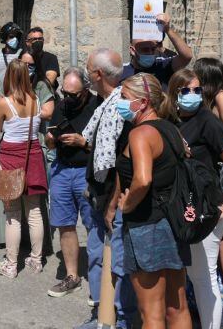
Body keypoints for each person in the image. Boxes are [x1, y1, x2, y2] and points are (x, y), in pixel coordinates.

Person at [109, 72, 191, 329]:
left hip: (147, 226)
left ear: (143, 102)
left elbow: (143, 179)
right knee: (177, 308)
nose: (119, 102)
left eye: (124, 97)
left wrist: (127, 204)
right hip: (174, 224)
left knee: (151, 314)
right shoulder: (171, 129)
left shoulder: (140, 134)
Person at [79, 48, 137, 329]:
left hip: (111, 196)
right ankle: (101, 316)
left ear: (98, 75)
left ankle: (119, 318)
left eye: (88, 69)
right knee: (96, 257)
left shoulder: (119, 106)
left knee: (116, 262)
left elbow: (119, 162)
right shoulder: (104, 104)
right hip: (98, 193)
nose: (86, 75)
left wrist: (112, 204)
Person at [190, 59, 223, 329]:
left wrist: (208, 135)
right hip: (213, 171)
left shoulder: (221, 96)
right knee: (219, 244)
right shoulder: (205, 103)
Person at [0, 58, 49, 278]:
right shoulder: (35, 99)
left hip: (10, 158)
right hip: (32, 155)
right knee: (34, 211)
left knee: (12, 213)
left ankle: (11, 265)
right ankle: (36, 260)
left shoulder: (5, 103)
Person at [45, 67, 99, 298]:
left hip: (86, 172)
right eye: (64, 93)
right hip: (62, 170)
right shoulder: (61, 106)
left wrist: (83, 142)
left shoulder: (97, 106)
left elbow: (110, 147)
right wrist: (51, 140)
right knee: (65, 224)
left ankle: (99, 286)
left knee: (93, 226)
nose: (67, 98)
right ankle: (72, 276)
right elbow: (50, 144)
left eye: (73, 95)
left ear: (86, 91)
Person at [120, 12, 193, 86]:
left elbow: (186, 56)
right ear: (132, 50)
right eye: (145, 50)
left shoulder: (162, 65)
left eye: (153, 49)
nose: (150, 53)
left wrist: (167, 29)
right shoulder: (122, 72)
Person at [0, 22, 24, 102]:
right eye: (11, 36)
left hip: (16, 99)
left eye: (17, 36)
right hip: (1, 98)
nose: (15, 39)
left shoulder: (21, 54)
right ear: (5, 37)